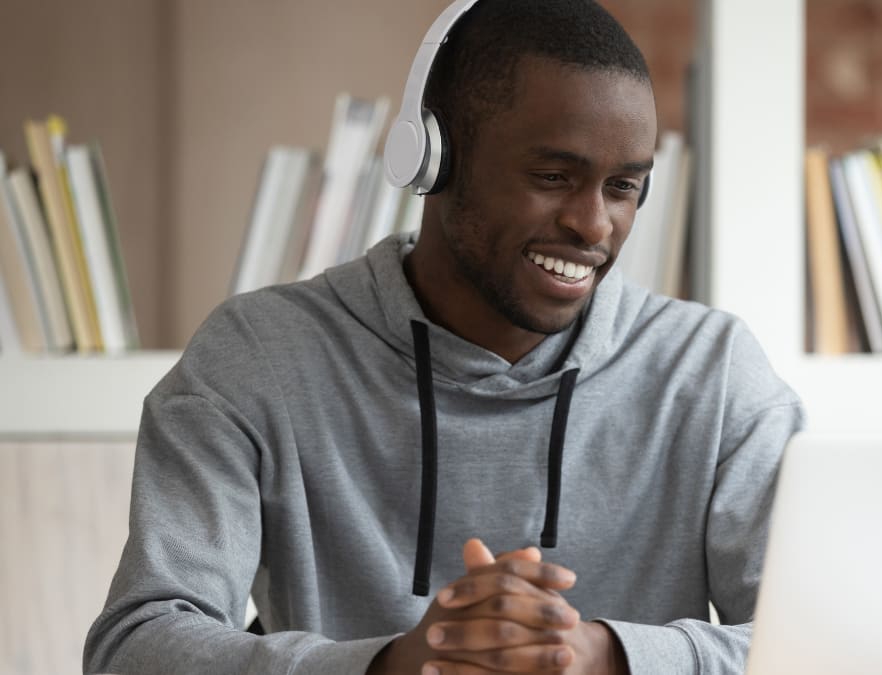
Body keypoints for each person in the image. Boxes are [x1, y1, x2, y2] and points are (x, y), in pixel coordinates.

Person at [84, 1, 803, 673]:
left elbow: (833, 642)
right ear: (432, 159)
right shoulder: (257, 357)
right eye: (554, 175)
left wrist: (601, 655)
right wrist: (394, 664)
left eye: (623, 187)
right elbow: (136, 645)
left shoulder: (712, 373)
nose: (594, 225)